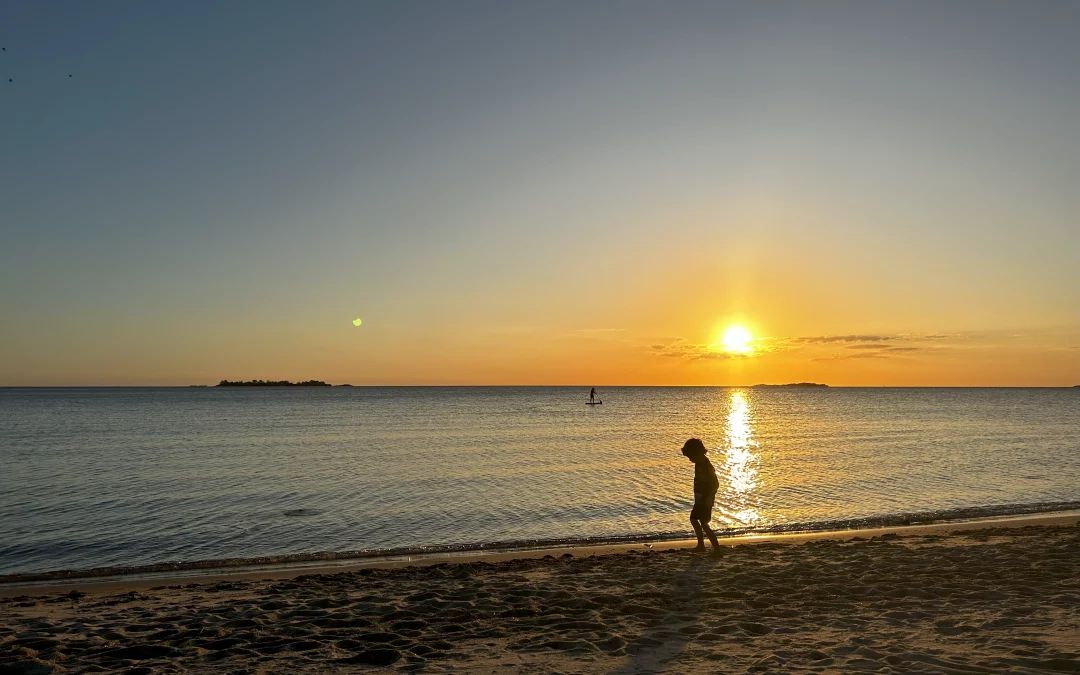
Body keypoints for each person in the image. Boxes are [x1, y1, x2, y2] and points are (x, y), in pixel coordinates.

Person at [681, 438, 721, 555]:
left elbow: (715, 484)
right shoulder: (699, 463)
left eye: (691, 456)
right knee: (694, 519)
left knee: (704, 524)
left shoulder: (706, 465)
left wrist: (710, 497)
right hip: (699, 498)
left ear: (697, 453)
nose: (690, 459)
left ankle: (716, 549)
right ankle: (701, 545)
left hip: (705, 499)